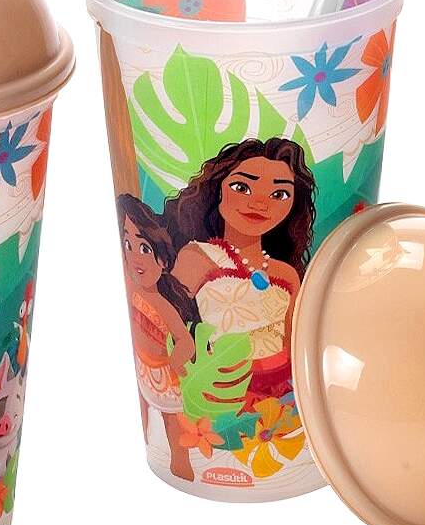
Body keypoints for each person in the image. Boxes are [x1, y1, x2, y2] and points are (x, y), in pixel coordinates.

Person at [164, 138, 315, 398]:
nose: (260, 203)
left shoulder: (286, 274)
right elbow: (170, 328)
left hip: (282, 395)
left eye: (279, 194)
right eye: (242, 187)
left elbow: (294, 344)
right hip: (223, 391)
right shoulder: (196, 257)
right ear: (218, 190)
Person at [117, 194, 199, 481]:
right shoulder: (134, 291)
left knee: (174, 421)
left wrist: (176, 365)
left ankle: (181, 463)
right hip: (145, 368)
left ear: (163, 261)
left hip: (166, 374)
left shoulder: (162, 303)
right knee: (152, 414)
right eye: (127, 244)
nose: (134, 256)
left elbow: (185, 340)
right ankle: (162, 453)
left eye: (144, 248)